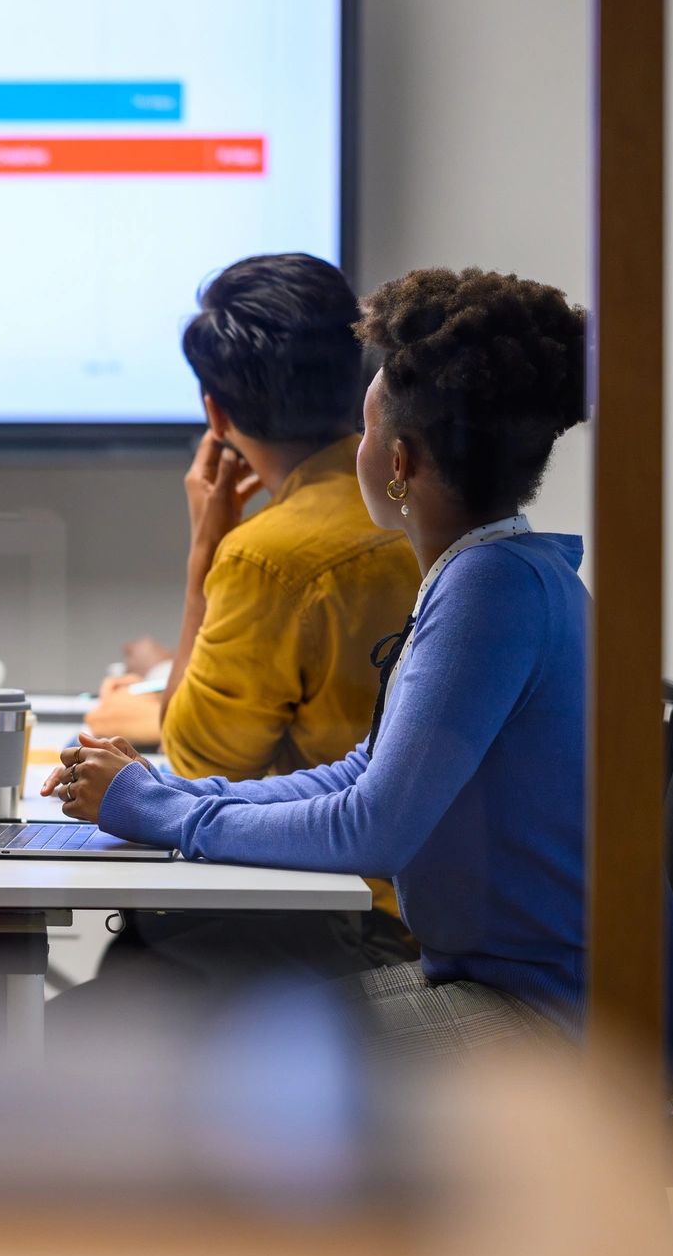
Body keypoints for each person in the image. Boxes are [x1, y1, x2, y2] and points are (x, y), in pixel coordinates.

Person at [48, 267, 602, 1056]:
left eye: (364, 433)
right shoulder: (495, 571)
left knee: (175, 1052)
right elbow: (360, 773)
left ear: (399, 463)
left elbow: (372, 828)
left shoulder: (488, 592)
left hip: (539, 1021)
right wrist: (164, 792)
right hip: (503, 983)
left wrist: (160, 813)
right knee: (173, 1035)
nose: (354, 450)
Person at [83, 255, 424, 986]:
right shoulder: (421, 506)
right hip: (429, 906)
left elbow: (194, 765)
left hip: (348, 919)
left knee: (123, 974)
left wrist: (205, 557)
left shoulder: (270, 557)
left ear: (216, 413)